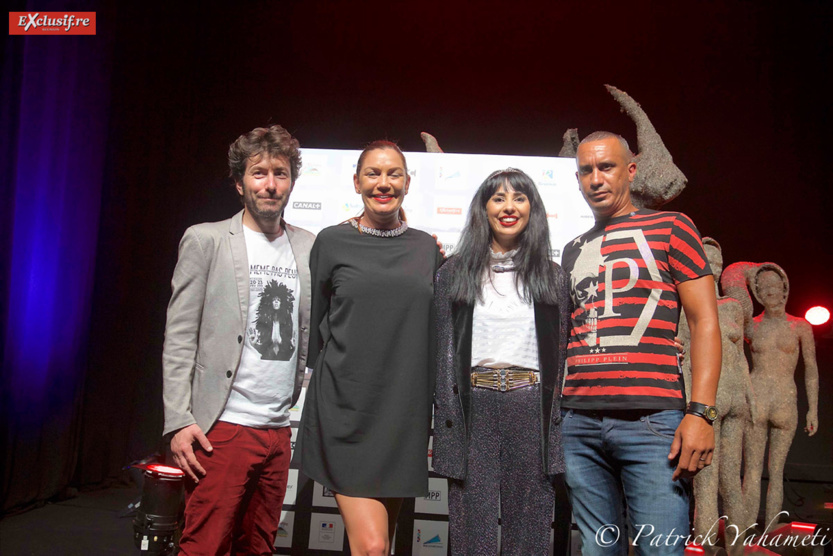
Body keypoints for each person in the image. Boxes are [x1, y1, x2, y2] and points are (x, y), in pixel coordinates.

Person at [560, 131, 721, 555]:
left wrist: (701, 413)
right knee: (598, 551)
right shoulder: (572, 249)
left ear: (630, 171)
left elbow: (704, 320)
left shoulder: (672, 226)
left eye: (606, 167)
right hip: (578, 424)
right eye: (586, 171)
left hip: (652, 423)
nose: (595, 179)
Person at [162, 125, 314, 555]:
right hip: (221, 428)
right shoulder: (206, 239)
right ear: (238, 183)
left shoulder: (309, 246)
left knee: (258, 546)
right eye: (259, 173)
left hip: (278, 430)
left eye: (280, 173)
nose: (270, 184)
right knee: (205, 546)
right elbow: (179, 336)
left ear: (291, 182)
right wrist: (178, 419)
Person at [295, 141, 443, 556]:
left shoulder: (425, 248)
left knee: (383, 543)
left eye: (394, 174)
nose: (383, 183)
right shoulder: (331, 242)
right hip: (345, 410)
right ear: (356, 181)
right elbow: (316, 326)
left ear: (408, 183)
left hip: (402, 416)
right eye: (373, 174)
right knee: (373, 546)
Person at [431, 168, 570, 554]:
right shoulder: (454, 273)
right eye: (498, 198)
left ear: (533, 209)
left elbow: (566, 351)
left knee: (530, 526)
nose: (509, 207)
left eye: (519, 198)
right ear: (484, 208)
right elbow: (442, 351)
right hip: (473, 407)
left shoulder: (554, 278)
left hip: (529, 406)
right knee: (470, 527)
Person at [721, 261, 819, 528]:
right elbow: (735, 357)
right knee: (751, 471)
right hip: (757, 397)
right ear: (757, 294)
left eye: (775, 287)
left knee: (776, 471)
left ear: (785, 289)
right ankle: (744, 526)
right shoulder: (751, 326)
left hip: (785, 399)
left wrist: (813, 409)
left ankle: (771, 529)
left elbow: (811, 369)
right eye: (764, 289)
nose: (771, 293)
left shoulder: (800, 327)